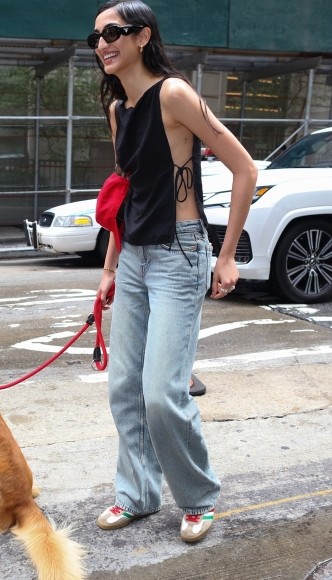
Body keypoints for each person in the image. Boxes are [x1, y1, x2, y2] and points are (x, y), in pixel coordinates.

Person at [90, 1, 257, 543]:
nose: (102, 44)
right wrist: (111, 267)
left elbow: (244, 167)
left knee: (163, 392)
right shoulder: (119, 110)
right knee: (124, 388)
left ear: (142, 36)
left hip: (181, 253)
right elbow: (124, 194)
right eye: (95, 37)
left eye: (112, 33)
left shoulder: (175, 94)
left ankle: (198, 497)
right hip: (135, 256)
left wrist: (226, 254)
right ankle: (138, 495)